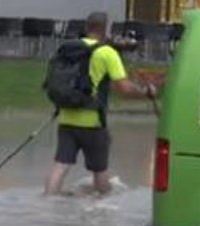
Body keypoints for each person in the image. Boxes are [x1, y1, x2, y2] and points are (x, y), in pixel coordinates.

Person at [44, 12, 156, 196]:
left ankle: (47, 201)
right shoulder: (107, 53)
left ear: (86, 27)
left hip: (66, 117)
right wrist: (146, 92)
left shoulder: (68, 49)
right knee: (100, 171)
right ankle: (105, 207)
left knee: (60, 164)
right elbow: (124, 88)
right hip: (93, 122)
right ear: (105, 29)